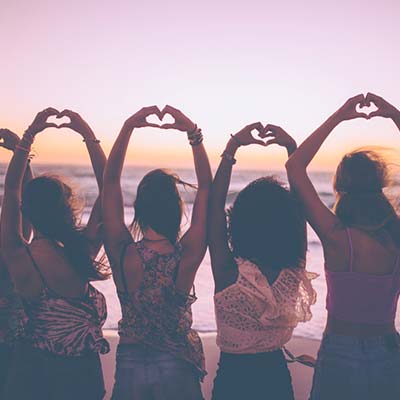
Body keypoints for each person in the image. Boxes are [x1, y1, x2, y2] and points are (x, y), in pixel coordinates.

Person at [286, 93, 400, 400]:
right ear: (380, 185)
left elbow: (295, 167)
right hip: (389, 351)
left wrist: (339, 115)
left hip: (340, 348)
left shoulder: (336, 236)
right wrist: (393, 115)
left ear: (342, 187)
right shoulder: (396, 236)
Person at [102, 105, 212, 400]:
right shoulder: (186, 254)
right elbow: (206, 191)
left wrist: (128, 127)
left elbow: (109, 184)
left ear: (139, 208)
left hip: (131, 359)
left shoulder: (123, 251)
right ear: (177, 209)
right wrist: (193, 134)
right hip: (176, 360)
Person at [1, 108, 110, 400]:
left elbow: (12, 190)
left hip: (32, 375)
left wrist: (27, 139)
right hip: (82, 378)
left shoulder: (18, 255)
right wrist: (88, 135)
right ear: (68, 210)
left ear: (27, 210)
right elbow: (109, 190)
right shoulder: (82, 252)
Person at [209, 122, 316, 400]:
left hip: (232, 381)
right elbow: (300, 210)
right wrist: (292, 151)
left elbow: (213, 206)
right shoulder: (292, 272)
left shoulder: (228, 272)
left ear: (239, 223)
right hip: (276, 380)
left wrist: (232, 148)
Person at [0, 129, 32, 395]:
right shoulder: (11, 251)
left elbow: (22, 204)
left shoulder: (8, 251)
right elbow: (24, 203)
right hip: (15, 342)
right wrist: (21, 154)